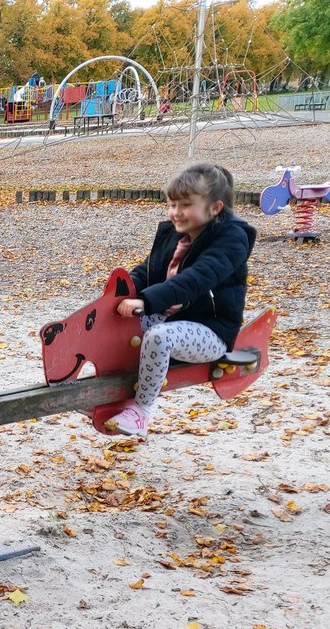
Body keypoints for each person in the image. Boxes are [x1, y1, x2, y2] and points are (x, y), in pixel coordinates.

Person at [106, 163, 255, 439]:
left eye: (185, 205)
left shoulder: (232, 241)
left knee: (159, 336)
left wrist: (146, 301)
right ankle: (114, 385)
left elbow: (196, 280)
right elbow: (149, 270)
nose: (175, 212)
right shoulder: (175, 235)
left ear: (215, 208)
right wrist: (123, 290)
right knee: (118, 322)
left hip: (210, 330)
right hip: (172, 317)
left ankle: (141, 412)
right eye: (172, 204)